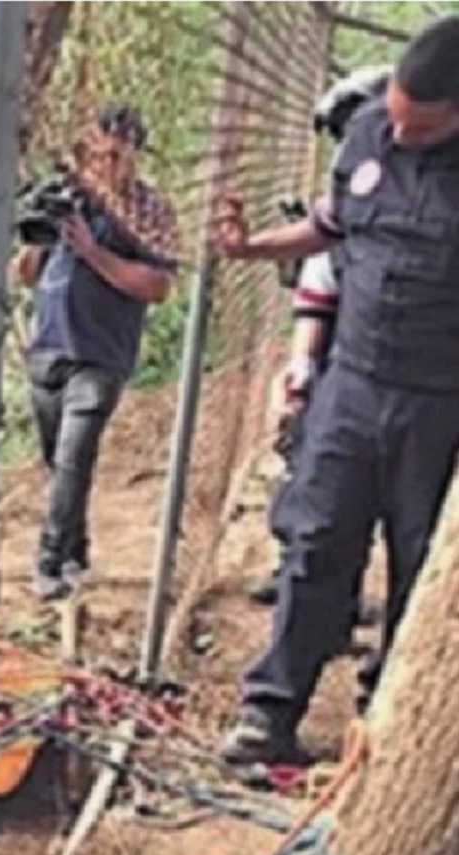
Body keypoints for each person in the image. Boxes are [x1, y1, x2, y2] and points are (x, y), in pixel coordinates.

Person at [214, 16, 459, 765]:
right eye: (394, 114)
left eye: (419, 127)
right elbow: (327, 227)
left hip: (439, 402)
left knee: (420, 565)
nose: (400, 132)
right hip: (350, 385)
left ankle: (385, 720)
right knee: (315, 541)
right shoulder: (365, 136)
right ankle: (271, 710)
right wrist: (252, 246)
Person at [13, 106, 181, 601]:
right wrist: (40, 229)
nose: (104, 165)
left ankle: (46, 563)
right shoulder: (67, 198)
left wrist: (92, 251)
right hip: (47, 346)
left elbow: (156, 286)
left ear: (134, 156)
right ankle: (75, 549)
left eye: (115, 156)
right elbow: (25, 274)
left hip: (101, 352)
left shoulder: (148, 211)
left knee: (72, 457)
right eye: (96, 154)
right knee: (58, 460)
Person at [248, 66, 392, 610]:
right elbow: (319, 286)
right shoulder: (350, 193)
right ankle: (303, 578)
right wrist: (302, 367)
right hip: (344, 352)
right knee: (312, 466)